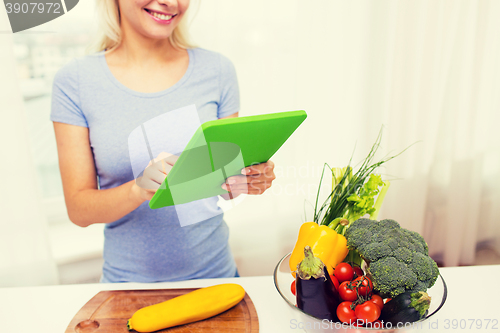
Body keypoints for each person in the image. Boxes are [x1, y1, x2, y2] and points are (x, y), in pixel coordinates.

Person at [50, 0, 276, 283]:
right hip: (127, 288)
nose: (170, 2)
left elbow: (222, 187)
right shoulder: (76, 82)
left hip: (216, 279)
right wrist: (137, 190)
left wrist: (246, 180)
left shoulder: (217, 70)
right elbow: (79, 210)